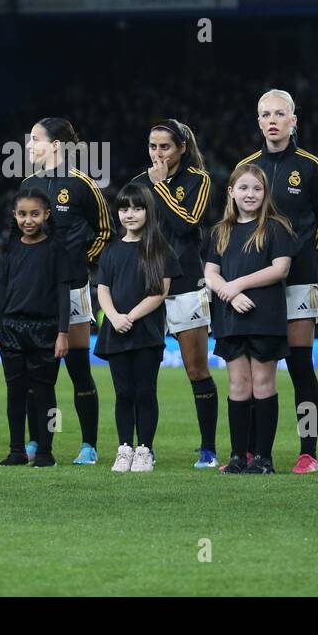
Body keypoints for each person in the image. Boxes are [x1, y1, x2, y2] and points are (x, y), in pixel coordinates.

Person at [236, 89, 318, 473]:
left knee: (299, 363)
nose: (272, 120)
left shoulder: (311, 166)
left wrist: (309, 258)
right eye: (265, 114)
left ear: (294, 119)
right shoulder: (247, 167)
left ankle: (308, 450)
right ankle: (254, 453)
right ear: (258, 121)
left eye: (280, 113)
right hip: (257, 280)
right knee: (255, 365)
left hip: (299, 279)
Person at [21, 117, 112, 464]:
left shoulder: (82, 185)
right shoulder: (28, 185)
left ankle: (88, 445)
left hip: (73, 289)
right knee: (41, 374)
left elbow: (105, 230)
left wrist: (77, 262)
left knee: (77, 368)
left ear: (56, 146)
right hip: (37, 293)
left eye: (35, 139)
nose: (29, 146)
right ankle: (41, 440)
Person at [131, 120, 216, 466]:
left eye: (164, 146)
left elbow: (188, 223)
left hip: (184, 281)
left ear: (181, 147)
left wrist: (161, 187)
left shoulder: (199, 180)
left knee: (196, 369)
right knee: (142, 371)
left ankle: (208, 448)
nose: (157, 153)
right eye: (152, 146)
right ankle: (141, 448)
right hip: (146, 283)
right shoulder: (138, 183)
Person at [204, 163, 294, 475]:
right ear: (231, 192)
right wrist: (230, 294)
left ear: (265, 193)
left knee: (263, 382)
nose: (250, 194)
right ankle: (239, 456)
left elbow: (280, 269)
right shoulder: (221, 231)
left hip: (265, 317)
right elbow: (210, 274)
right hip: (230, 318)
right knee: (238, 384)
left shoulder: (275, 228)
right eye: (243, 188)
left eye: (257, 188)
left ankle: (263, 459)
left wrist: (237, 286)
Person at [0, 188, 81, 468]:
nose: (28, 220)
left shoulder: (56, 251)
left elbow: (64, 294)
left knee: (44, 392)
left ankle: (45, 452)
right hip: (12, 329)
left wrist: (63, 333)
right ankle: (17, 450)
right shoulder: (9, 251)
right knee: (15, 392)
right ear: (14, 216)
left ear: (47, 215)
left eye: (35, 214)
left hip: (46, 330)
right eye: (23, 214)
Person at [96, 182, 181, 473]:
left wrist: (129, 316)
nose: (129, 214)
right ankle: (124, 448)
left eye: (136, 208)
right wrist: (114, 317)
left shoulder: (161, 250)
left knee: (145, 391)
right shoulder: (110, 251)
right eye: (123, 208)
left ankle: (144, 449)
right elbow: (102, 289)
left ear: (148, 211)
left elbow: (160, 292)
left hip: (146, 333)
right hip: (116, 330)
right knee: (123, 393)